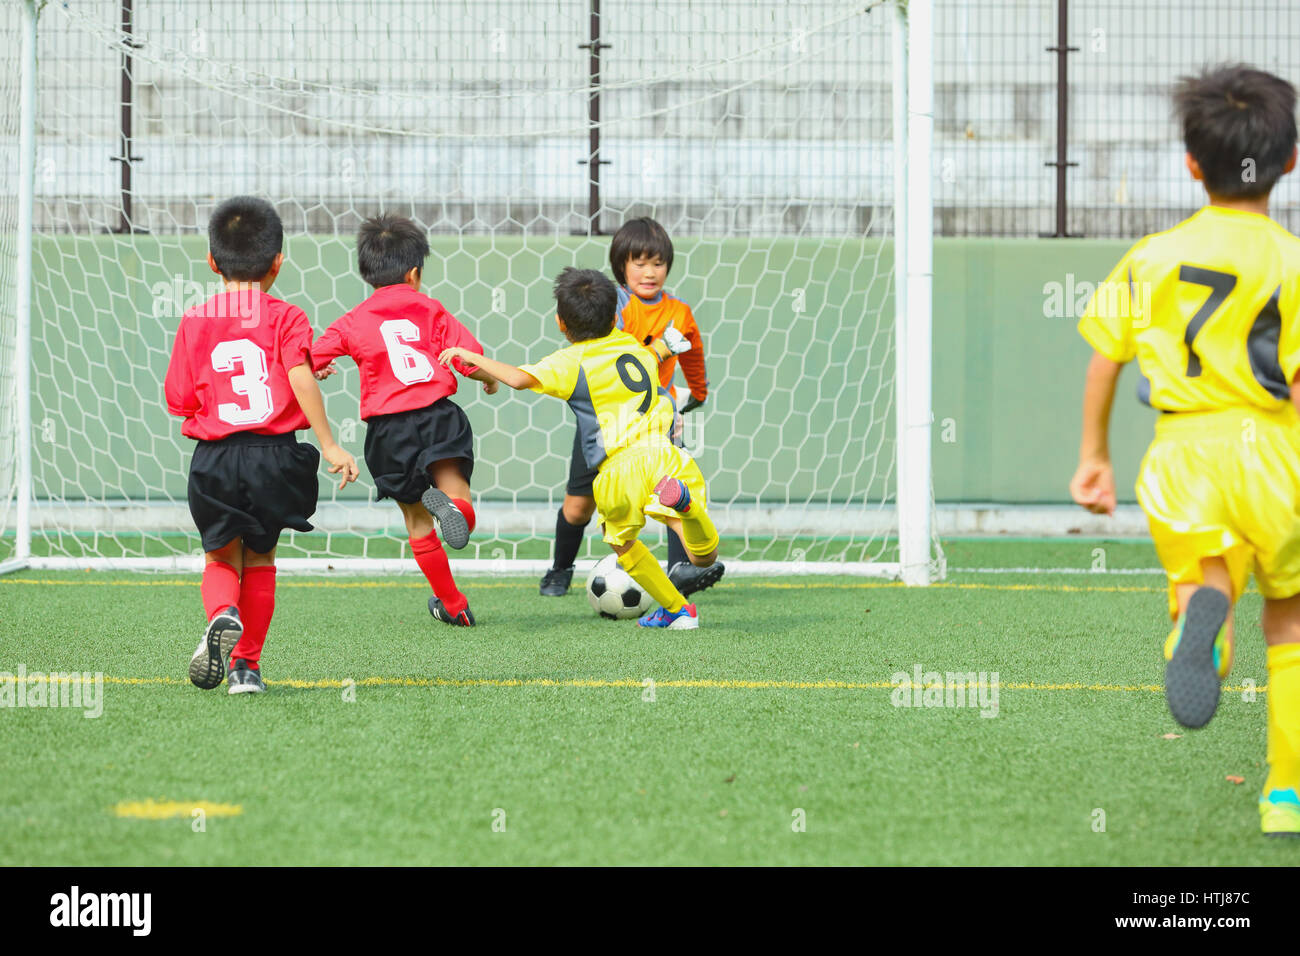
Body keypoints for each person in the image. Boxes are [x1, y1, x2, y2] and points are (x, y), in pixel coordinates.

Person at [1070, 65, 1300, 837]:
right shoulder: (1292, 261)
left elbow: (1107, 357)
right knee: (1293, 624)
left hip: (1180, 454)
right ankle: (1284, 799)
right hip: (1270, 451)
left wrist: (1093, 456)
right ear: (1291, 160)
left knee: (1209, 577)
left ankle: (1197, 624)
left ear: (1192, 163)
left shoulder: (1152, 255)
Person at [443, 267, 720, 629]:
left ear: (561, 322)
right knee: (702, 556)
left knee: (623, 543)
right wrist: (667, 347)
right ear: (615, 315)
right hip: (666, 452)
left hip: (620, 468)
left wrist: (472, 357)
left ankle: (676, 608)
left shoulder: (571, 362)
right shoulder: (630, 344)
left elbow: (517, 378)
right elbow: (654, 356)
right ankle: (686, 510)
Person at [165, 195, 358, 694]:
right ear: (277, 262)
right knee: (262, 561)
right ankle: (246, 669)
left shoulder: (194, 320)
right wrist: (331, 445)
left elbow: (180, 400)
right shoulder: (288, 317)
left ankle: (221, 613)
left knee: (220, 560)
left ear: (211, 261)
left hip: (216, 459)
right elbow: (297, 376)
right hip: (274, 458)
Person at [312, 214, 498, 626]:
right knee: (458, 494)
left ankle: (453, 605)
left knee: (416, 520)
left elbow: (309, 358)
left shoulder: (353, 320)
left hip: (388, 431)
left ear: (368, 273)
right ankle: (456, 511)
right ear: (414, 273)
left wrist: (320, 368)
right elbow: (468, 358)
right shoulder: (431, 309)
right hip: (438, 417)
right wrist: (489, 380)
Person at [539, 217, 723, 598]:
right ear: (621, 265)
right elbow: (612, 360)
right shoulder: (614, 307)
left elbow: (694, 352)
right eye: (638, 263)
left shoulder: (680, 312)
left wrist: (697, 395)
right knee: (578, 508)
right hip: (606, 428)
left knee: (674, 492)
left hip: (656, 424)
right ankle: (560, 570)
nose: (649, 272)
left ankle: (681, 570)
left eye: (657, 263)